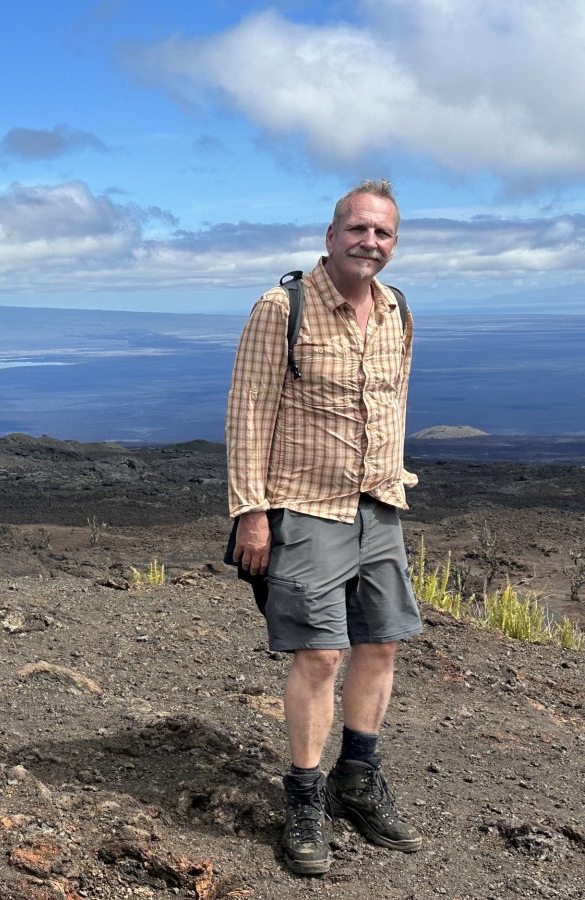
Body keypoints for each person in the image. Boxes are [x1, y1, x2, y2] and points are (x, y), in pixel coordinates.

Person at [225, 179, 424, 875]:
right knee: (319, 655)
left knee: (381, 644)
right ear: (331, 235)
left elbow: (394, 400)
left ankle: (356, 781)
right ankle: (305, 798)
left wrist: (394, 481)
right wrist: (252, 511)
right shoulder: (282, 308)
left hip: (378, 504)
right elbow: (248, 413)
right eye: (360, 230)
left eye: (385, 234)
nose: (372, 242)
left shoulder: (397, 309)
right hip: (306, 505)